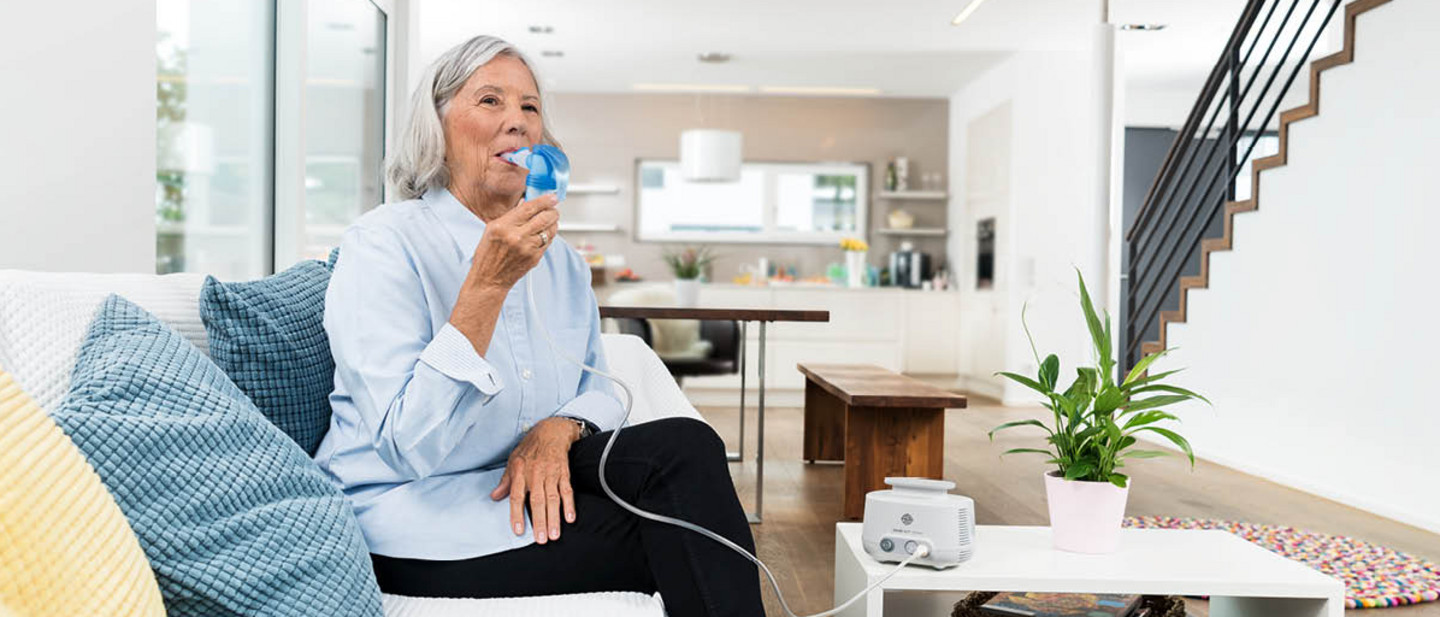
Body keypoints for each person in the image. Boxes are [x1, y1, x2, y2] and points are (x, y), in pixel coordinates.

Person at [313, 35, 763, 616]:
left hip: (520, 487)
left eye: (529, 107)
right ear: (437, 126)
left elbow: (598, 388)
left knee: (685, 445)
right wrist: (488, 285)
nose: (517, 123)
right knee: (679, 535)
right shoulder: (383, 244)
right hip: (411, 513)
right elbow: (406, 447)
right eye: (491, 101)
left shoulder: (562, 262)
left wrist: (563, 425)